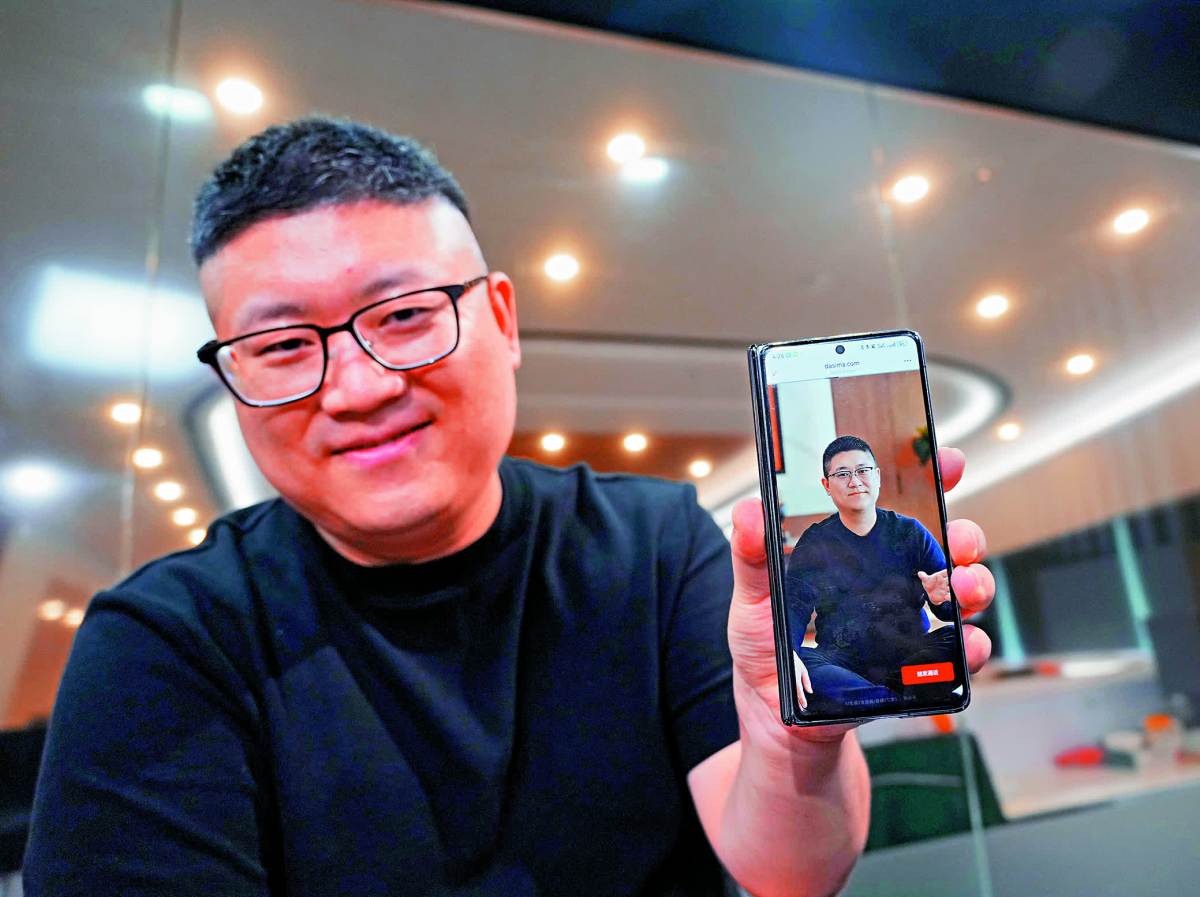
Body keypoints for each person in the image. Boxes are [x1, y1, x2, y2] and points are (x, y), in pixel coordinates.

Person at [24, 118, 995, 897]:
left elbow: (790, 874)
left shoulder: (656, 545)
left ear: (500, 318)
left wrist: (793, 745)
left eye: (404, 316)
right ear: (232, 381)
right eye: (281, 346)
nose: (357, 388)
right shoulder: (164, 642)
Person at [785, 436, 960, 715]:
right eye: (843, 474)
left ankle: (871, 699)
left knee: (959, 641)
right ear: (827, 485)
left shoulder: (910, 532)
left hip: (910, 655)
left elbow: (950, 609)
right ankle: (905, 697)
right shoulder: (814, 543)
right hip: (843, 662)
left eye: (863, 470)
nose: (855, 481)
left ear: (877, 476)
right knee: (797, 660)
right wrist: (789, 654)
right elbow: (794, 607)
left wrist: (942, 600)